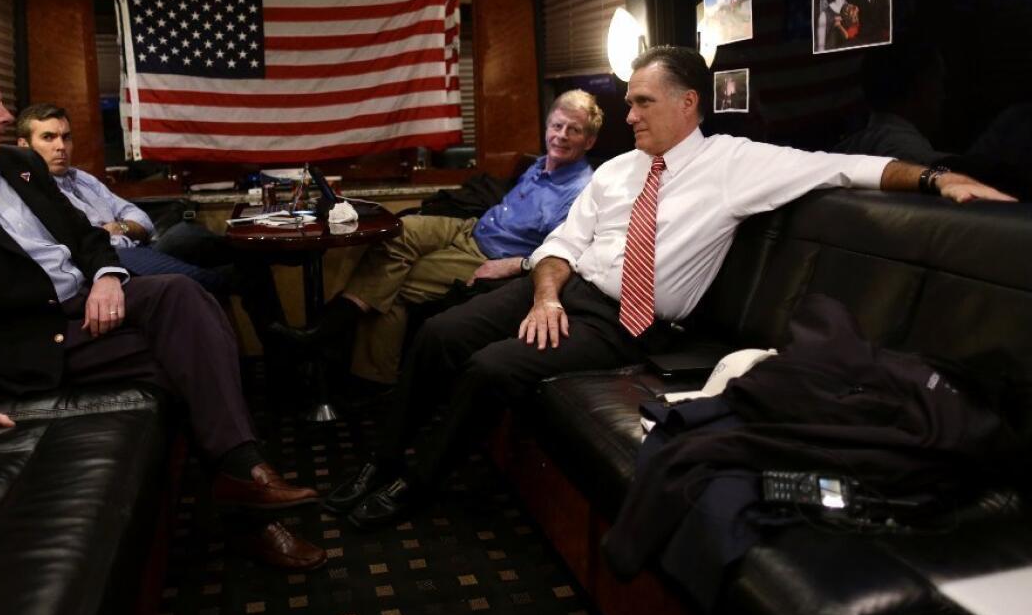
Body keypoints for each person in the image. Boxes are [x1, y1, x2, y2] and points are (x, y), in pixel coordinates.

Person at [328, 45, 1015, 530]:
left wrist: (935, 178)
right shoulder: (617, 171)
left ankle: (415, 487)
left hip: (626, 321)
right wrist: (543, 294)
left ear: (689, 104)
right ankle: (381, 459)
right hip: (560, 291)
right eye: (628, 103)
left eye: (642, 102)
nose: (628, 115)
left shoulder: (734, 165)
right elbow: (563, 244)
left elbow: (844, 168)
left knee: (487, 366)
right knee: (440, 332)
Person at [0, 58, 325, 570]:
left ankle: (242, 477)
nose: (7, 115)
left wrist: (106, 277)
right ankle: (247, 490)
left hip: (85, 303)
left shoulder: (17, 165)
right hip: (27, 339)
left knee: (181, 293)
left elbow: (85, 236)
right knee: (189, 356)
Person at [275, 90, 600, 385]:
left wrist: (513, 265)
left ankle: (358, 366)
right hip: (472, 226)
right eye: (557, 126)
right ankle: (330, 330)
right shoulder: (542, 164)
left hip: (489, 252)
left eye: (574, 130)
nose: (561, 136)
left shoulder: (580, 189)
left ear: (589, 141)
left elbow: (563, 251)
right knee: (397, 231)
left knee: (394, 286)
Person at [15, 103, 284, 340]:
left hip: (138, 248)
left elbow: (139, 218)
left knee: (191, 236)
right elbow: (86, 240)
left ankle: (263, 262)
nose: (60, 146)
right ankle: (232, 277)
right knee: (215, 273)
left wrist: (118, 228)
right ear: (24, 146)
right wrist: (116, 233)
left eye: (66, 137)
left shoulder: (82, 179)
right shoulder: (31, 190)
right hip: (112, 261)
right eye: (48, 138)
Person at [833, 40, 948, 164]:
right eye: (937, 83)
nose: (943, 95)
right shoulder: (912, 156)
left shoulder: (842, 151)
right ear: (919, 87)